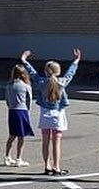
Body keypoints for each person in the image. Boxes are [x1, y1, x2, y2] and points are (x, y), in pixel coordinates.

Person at [21, 48, 80, 176]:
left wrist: (24, 61)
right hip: (58, 115)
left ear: (46, 72)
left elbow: (33, 73)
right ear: (58, 71)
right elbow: (70, 74)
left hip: (45, 114)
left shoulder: (42, 82)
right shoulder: (61, 82)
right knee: (56, 143)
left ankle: (47, 166)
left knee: (45, 141)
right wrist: (76, 61)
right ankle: (57, 167)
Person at [4, 65, 34, 166]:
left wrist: (11, 106)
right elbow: (29, 100)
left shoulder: (9, 85)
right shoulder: (26, 86)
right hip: (22, 111)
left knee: (12, 135)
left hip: (12, 111)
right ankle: (18, 158)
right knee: (21, 136)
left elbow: (7, 100)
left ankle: (7, 157)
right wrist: (28, 110)